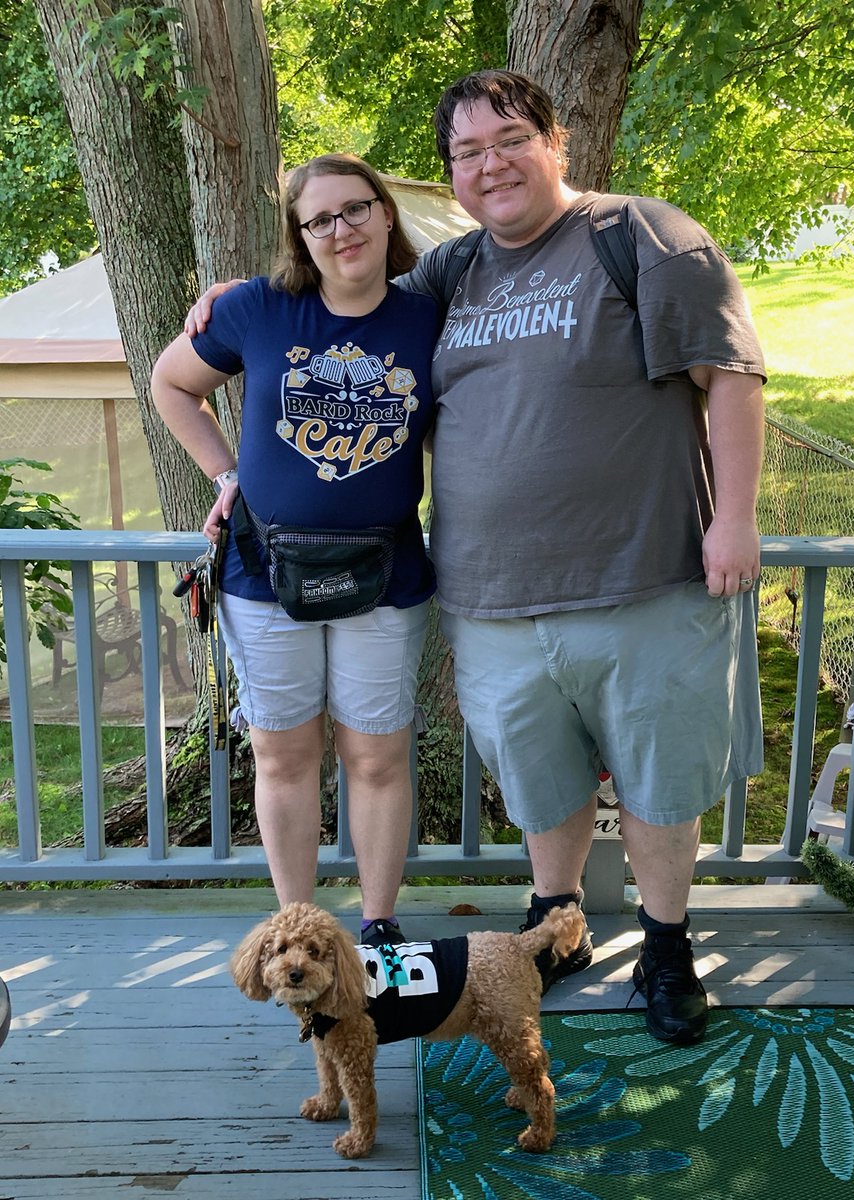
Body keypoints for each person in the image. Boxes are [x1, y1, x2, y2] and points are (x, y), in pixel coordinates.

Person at [187, 70, 767, 1045]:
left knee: (659, 784)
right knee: (543, 782)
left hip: (645, 579)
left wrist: (736, 520)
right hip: (494, 600)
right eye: (466, 151)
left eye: (508, 139)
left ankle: (666, 943)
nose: (489, 163)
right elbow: (342, 295)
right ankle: (558, 920)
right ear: (452, 174)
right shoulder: (456, 274)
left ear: (556, 142)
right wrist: (238, 301)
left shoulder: (644, 236)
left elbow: (733, 377)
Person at [152, 154, 441, 948]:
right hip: (262, 576)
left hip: (386, 578)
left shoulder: (430, 316)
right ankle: (298, 927)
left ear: (386, 214)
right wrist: (226, 472)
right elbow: (171, 383)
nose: (340, 230)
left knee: (376, 758)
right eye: (320, 219)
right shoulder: (255, 309)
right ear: (299, 234)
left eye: (355, 210)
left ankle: (378, 923)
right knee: (284, 757)